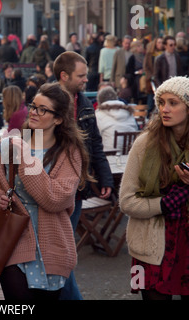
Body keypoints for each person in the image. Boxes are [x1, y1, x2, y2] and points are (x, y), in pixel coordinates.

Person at [0, 82, 94, 300]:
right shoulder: (8, 145)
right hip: (12, 239)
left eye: (43, 109)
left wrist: (25, 158)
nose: (34, 113)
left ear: (58, 119)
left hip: (53, 246)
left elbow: (56, 198)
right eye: (33, 106)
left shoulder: (70, 152)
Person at [119, 76, 189, 300]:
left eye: (173, 103)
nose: (164, 109)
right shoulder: (145, 143)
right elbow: (126, 201)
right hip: (151, 246)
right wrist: (163, 203)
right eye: (161, 103)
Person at [53, 51, 114, 300]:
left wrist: (105, 179)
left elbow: (95, 145)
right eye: (81, 76)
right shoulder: (46, 101)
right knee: (60, 252)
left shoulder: (85, 103)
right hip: (50, 189)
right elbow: (30, 144)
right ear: (64, 76)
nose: (86, 80)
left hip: (77, 189)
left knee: (64, 252)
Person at [95, 86, 138, 151]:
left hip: (108, 155)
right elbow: (136, 129)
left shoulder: (99, 114)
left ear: (100, 101)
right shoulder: (129, 113)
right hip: (129, 155)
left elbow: (94, 137)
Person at [143, 37, 164, 116]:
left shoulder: (164, 54)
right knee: (151, 100)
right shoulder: (149, 54)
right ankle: (148, 116)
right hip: (151, 81)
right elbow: (146, 67)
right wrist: (150, 76)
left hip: (161, 80)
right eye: (159, 42)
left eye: (162, 42)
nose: (160, 44)